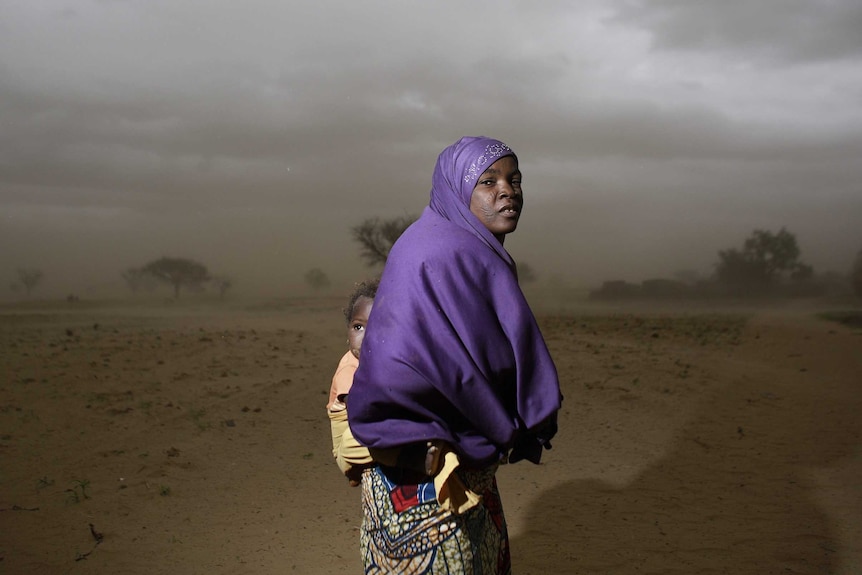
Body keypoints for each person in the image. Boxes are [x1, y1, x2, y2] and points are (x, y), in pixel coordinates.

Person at [348, 136, 562, 574]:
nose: (508, 190)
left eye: (515, 180)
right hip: (432, 479)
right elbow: (410, 363)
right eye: (488, 181)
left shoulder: (456, 245)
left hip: (444, 470)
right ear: (456, 190)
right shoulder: (444, 251)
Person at [327, 279, 378, 487]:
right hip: (349, 443)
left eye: (376, 326)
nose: (365, 336)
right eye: (358, 327)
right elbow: (359, 407)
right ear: (348, 334)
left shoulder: (380, 362)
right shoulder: (350, 368)